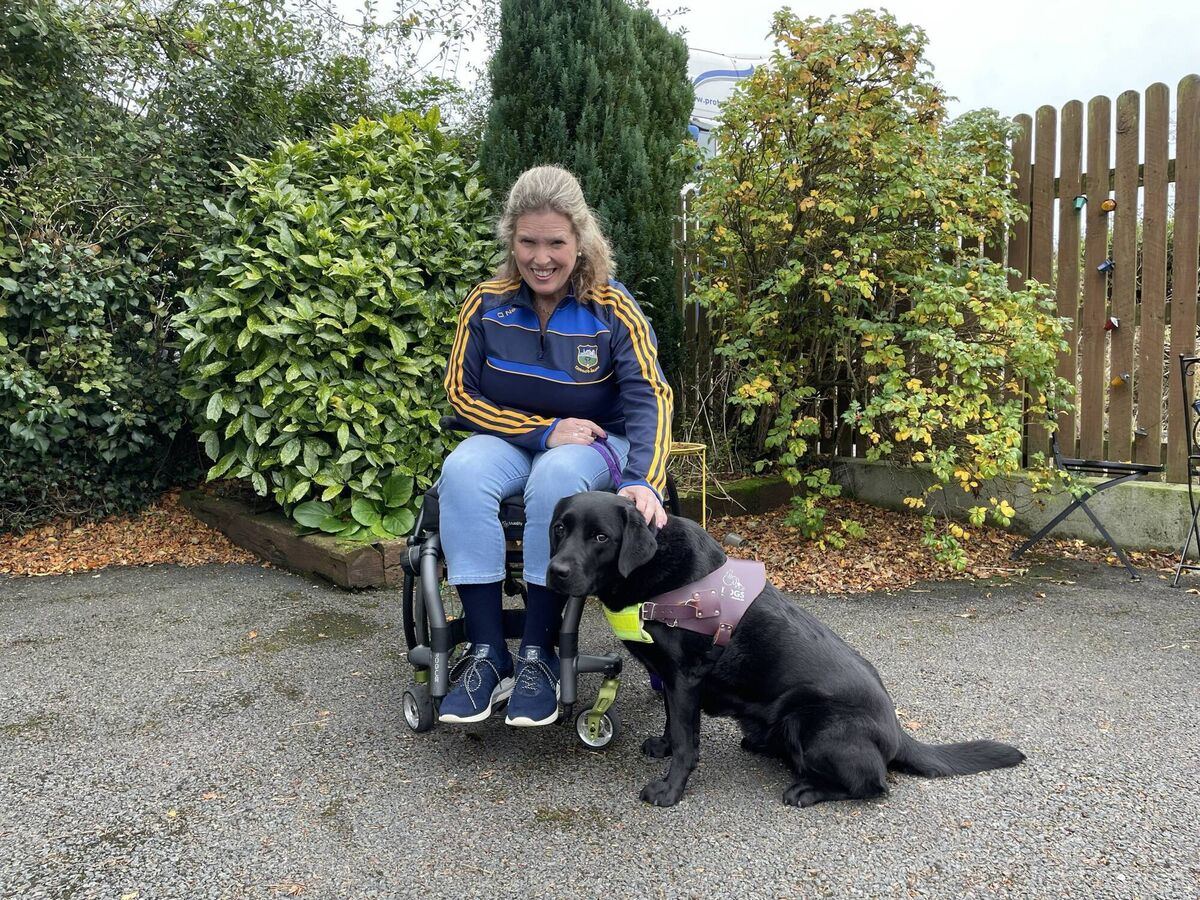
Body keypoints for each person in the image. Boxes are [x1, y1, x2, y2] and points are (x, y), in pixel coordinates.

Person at [435, 164, 673, 727]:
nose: (541, 258)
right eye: (527, 242)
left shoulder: (612, 309)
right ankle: (489, 655)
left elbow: (650, 397)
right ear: (510, 240)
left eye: (555, 243)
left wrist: (643, 479)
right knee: (462, 472)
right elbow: (459, 394)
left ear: (581, 241)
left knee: (557, 478)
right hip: (516, 436)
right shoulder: (486, 303)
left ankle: (538, 655)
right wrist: (541, 431)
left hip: (595, 443)